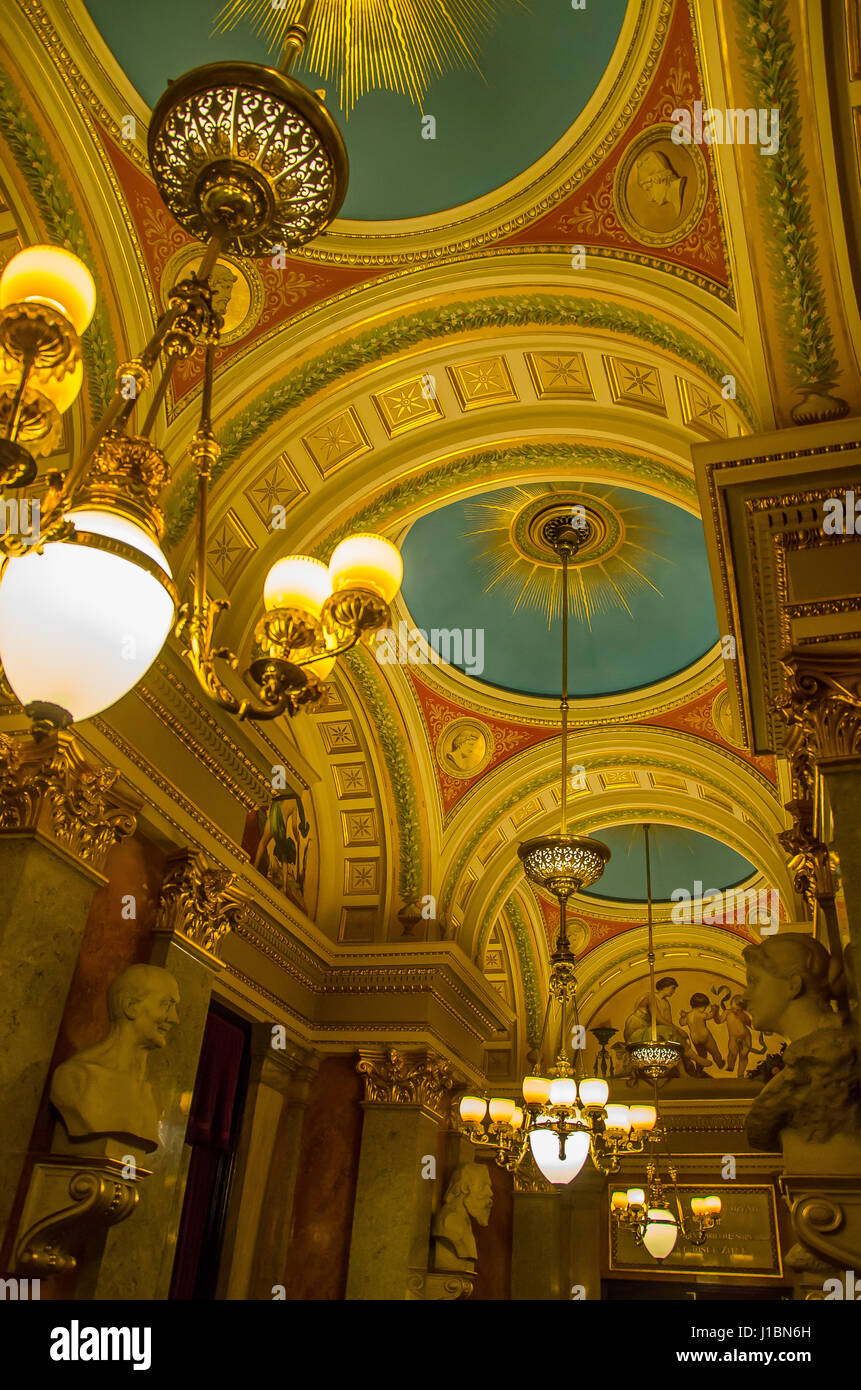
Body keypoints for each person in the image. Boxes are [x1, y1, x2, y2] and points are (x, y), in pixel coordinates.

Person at [50, 964, 180, 1153]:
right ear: (130, 1007)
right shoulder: (77, 1079)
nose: (175, 1019)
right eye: (166, 1005)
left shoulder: (154, 1097)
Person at [680, 993, 726, 1069]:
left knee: (701, 1056)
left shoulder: (689, 1015)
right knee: (715, 1052)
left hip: (695, 1039)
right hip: (705, 1037)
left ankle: (699, 1070)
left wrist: (683, 1016)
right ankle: (720, 1064)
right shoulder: (701, 1014)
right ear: (702, 1006)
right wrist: (714, 1010)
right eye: (705, 1007)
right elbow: (710, 1016)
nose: (705, 1009)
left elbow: (682, 1023)